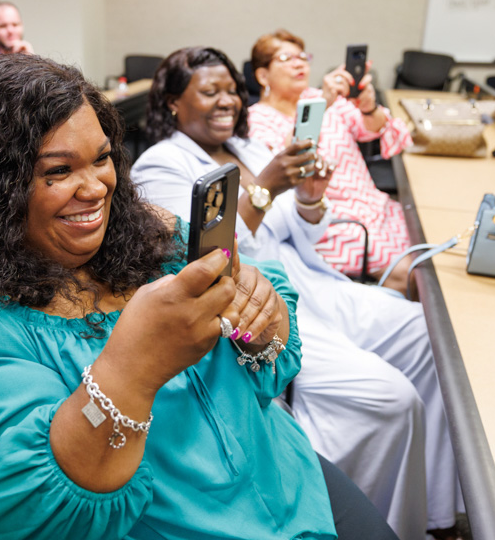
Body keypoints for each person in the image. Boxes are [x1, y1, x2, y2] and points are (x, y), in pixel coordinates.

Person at [0, 53, 399, 540]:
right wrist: (132, 370)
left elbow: (268, 353)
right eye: (59, 170)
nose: (97, 186)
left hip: (280, 478)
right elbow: (30, 515)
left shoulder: (150, 239)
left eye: (102, 159)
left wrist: (263, 323)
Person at [131, 47, 461, 540]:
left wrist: (309, 198)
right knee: (391, 399)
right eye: (209, 91)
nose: (227, 102)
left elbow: (294, 234)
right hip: (255, 305)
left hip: (309, 280)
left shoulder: (246, 148)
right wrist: (265, 188)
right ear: (174, 103)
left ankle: (439, 512)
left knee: (430, 333)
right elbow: (200, 257)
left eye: (230, 91)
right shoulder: (159, 166)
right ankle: (370, 518)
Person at [247, 30, 414, 294]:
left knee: (430, 255)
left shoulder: (321, 97)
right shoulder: (256, 119)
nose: (299, 63)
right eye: (286, 58)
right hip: (329, 224)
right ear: (263, 75)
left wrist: (368, 106)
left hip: (375, 207)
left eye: (303, 57)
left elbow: (372, 129)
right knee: (413, 274)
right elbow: (286, 159)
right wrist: (321, 103)